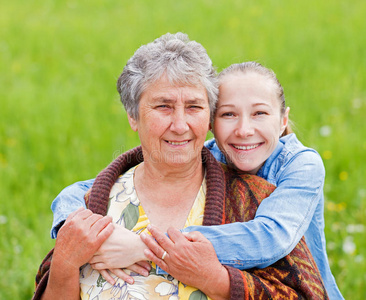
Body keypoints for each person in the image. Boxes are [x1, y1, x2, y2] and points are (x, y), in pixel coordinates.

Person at [34, 33, 328, 299]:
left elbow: (285, 262)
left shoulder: (261, 198)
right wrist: (67, 258)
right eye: (163, 106)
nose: (180, 125)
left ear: (207, 119)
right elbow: (74, 194)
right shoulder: (90, 207)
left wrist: (215, 279)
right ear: (133, 116)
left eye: (193, 107)